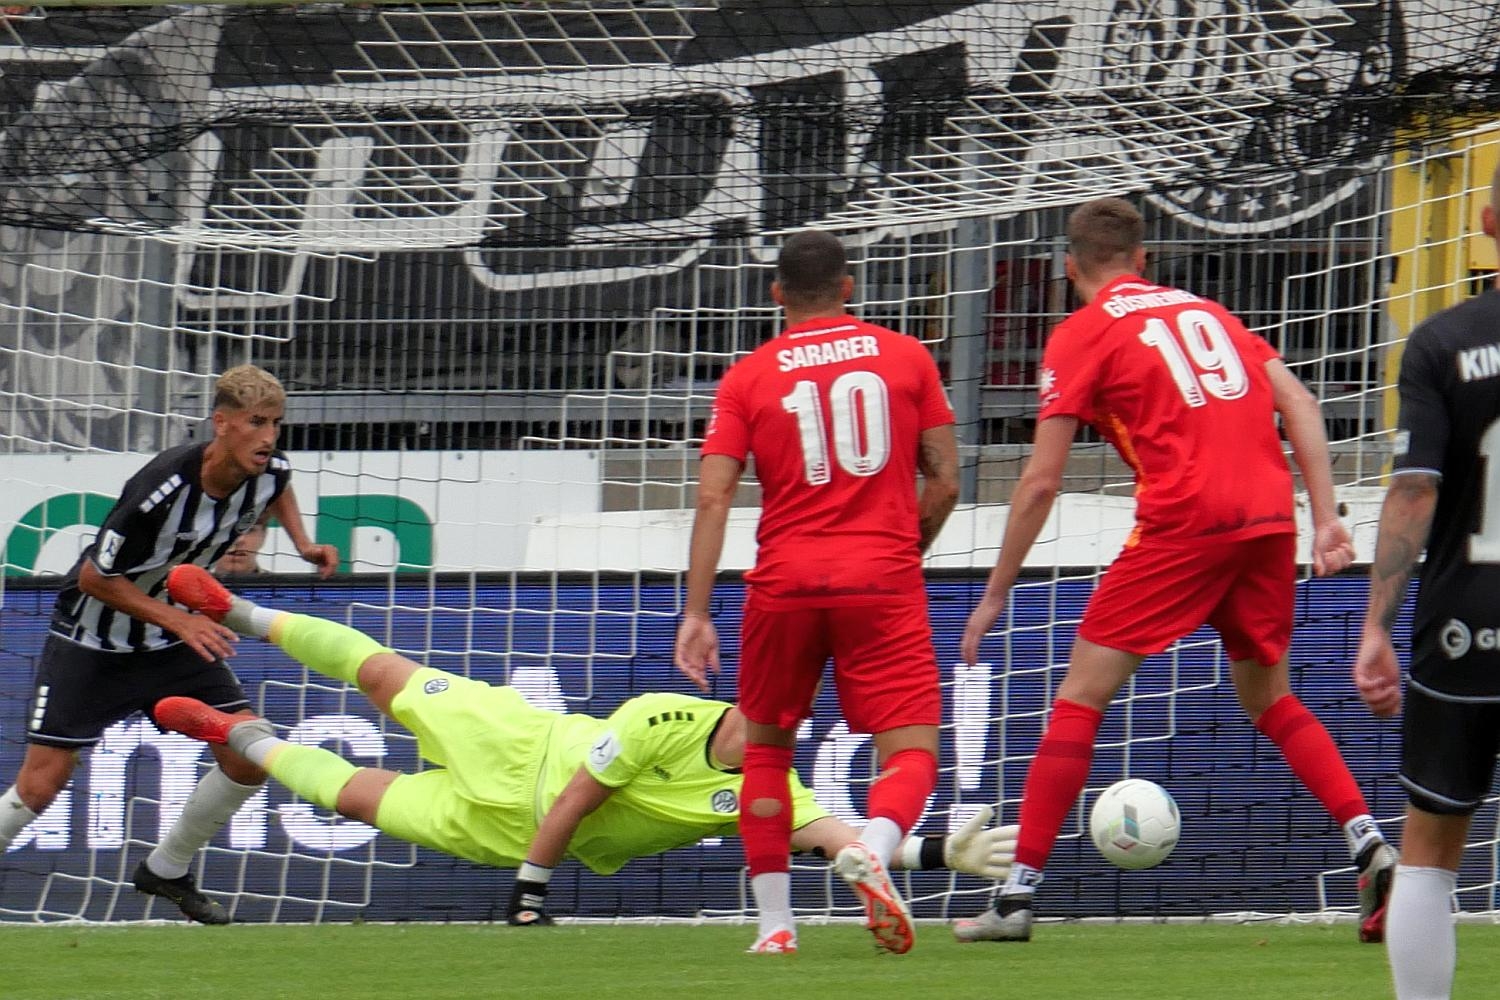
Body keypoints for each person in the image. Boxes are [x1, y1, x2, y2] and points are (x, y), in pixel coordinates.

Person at [955, 197, 1396, 944]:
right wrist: (1326, 517)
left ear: (1070, 269)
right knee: (1270, 696)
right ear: (1143, 259)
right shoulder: (1210, 313)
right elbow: (1299, 401)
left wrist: (995, 591)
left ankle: (1016, 896)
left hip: (1185, 520)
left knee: (1080, 696)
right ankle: (1368, 841)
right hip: (1267, 519)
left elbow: (1039, 482)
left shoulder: (1081, 332)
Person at [156, 564, 1017, 925]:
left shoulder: (773, 789)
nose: (785, 721)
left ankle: (238, 734)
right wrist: (530, 895)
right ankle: (240, 611)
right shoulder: (660, 717)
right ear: (751, 698)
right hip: (516, 744)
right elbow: (577, 798)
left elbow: (844, 845)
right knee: (384, 674)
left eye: (792, 713)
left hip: (497, 828)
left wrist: (936, 850)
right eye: (777, 705)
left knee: (350, 796)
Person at [673, 231, 961, 955]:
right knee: (912, 750)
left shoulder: (746, 378)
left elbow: (712, 499)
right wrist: (904, 550)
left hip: (784, 585)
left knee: (767, 753)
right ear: (849, 287)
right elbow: (946, 480)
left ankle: (775, 927)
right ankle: (875, 843)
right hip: (881, 579)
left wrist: (697, 611)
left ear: (777, 294)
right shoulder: (907, 357)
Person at [0, 364, 338, 924]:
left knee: (249, 754)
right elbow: (94, 578)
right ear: (221, 423)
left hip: (170, 640)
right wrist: (180, 620)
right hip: (94, 642)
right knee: (39, 788)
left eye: (276, 423)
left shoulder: (270, 468)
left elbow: (278, 485)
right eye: (257, 422)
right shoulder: (162, 487)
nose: (270, 436)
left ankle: (167, 868)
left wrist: (303, 543)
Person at [1350, 164, 1500, 999]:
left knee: (1431, 851)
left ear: (1486, 223)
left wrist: (1376, 624)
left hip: (1462, 628)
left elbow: (1414, 491)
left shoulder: (1441, 344)